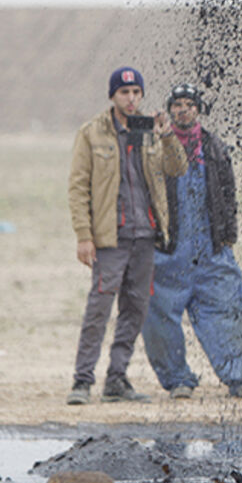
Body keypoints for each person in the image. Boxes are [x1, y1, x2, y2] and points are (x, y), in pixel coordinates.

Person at [66, 67, 187, 405]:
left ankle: (116, 379)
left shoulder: (147, 130)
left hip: (144, 235)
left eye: (136, 93)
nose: (132, 99)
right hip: (110, 238)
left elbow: (177, 168)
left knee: (135, 309)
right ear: (112, 96)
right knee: (98, 309)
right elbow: (78, 188)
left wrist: (166, 135)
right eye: (124, 93)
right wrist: (83, 235)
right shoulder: (92, 133)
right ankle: (82, 381)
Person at [141, 83, 242, 400]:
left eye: (189, 104)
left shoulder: (215, 148)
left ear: (198, 109)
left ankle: (241, 377)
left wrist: (227, 236)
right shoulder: (154, 148)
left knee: (228, 309)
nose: (183, 109)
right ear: (169, 111)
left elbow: (228, 195)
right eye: (177, 104)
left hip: (211, 249)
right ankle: (177, 379)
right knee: (158, 316)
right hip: (168, 250)